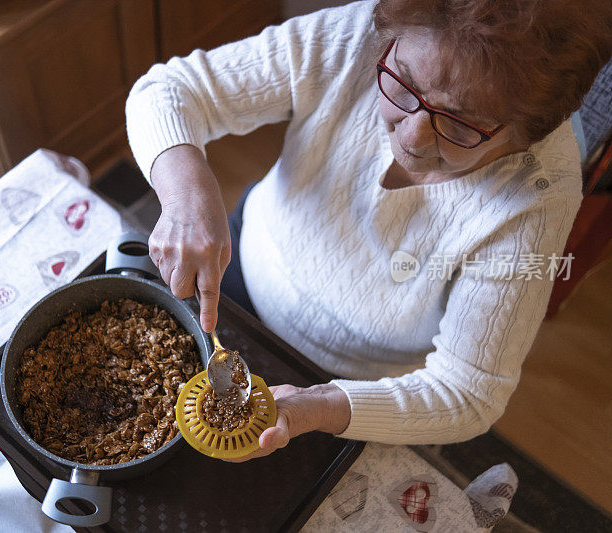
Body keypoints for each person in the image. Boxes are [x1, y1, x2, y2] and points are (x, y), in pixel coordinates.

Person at [124, 0, 612, 457]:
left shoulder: (538, 193)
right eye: (401, 83)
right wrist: (189, 196)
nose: (413, 136)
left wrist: (319, 406)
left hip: (351, 380)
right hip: (238, 274)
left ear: (530, 131)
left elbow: (467, 392)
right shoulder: (361, 37)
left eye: (461, 124)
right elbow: (169, 92)